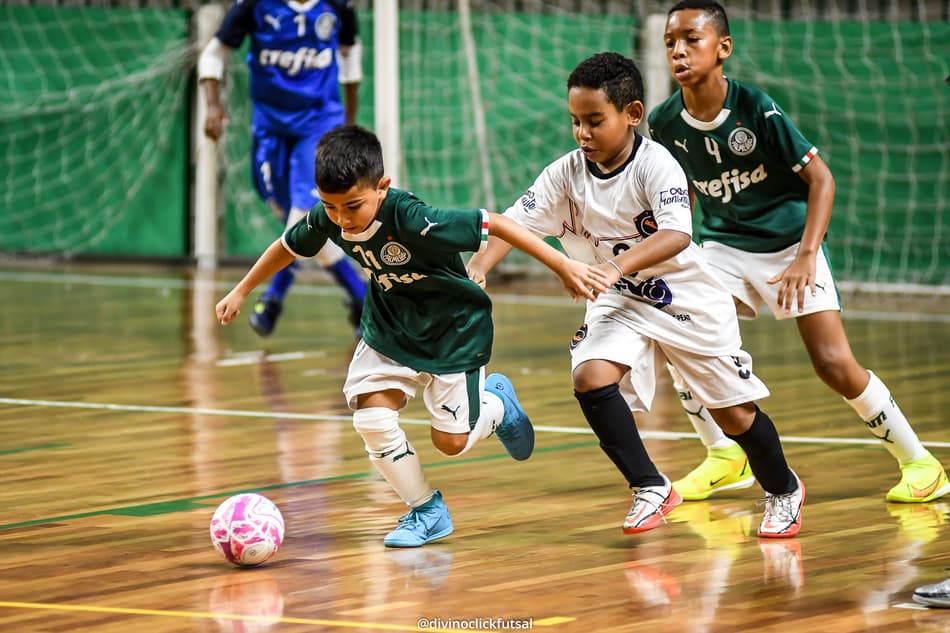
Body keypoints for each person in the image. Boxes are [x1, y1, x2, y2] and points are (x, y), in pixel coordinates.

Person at [216, 125, 611, 547]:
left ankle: (498, 406)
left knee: (452, 444)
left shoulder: (412, 218)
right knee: (371, 418)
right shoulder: (328, 217)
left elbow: (497, 223)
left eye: (353, 206)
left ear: (382, 187)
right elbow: (288, 246)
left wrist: (562, 266)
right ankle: (426, 510)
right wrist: (242, 288)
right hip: (390, 327)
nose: (342, 220)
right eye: (331, 208)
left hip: (453, 332)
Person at [467, 52, 805, 538]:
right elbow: (512, 223)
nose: (582, 133)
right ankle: (650, 486)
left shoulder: (656, 164)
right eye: (575, 122)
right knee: (590, 376)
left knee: (734, 414)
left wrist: (610, 267)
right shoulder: (565, 172)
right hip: (621, 299)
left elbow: (677, 235)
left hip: (685, 299)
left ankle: (783, 489)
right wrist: (479, 266)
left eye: (594, 121)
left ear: (632, 114)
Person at [648, 0, 949, 504]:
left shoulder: (757, 108)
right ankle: (725, 456)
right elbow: (685, 192)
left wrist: (807, 255)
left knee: (832, 363)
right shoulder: (664, 122)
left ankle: (921, 464)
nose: (678, 50)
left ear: (723, 48)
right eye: (670, 42)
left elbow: (821, 179)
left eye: (691, 39)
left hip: (790, 245)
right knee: (679, 335)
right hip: (723, 245)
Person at [197, 0, 368, 337]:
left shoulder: (338, 7)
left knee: (304, 216)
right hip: (270, 127)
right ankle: (361, 297)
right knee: (299, 222)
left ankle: (272, 300)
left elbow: (349, 55)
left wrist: (348, 122)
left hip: (319, 123)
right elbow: (213, 54)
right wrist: (213, 106)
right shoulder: (255, 6)